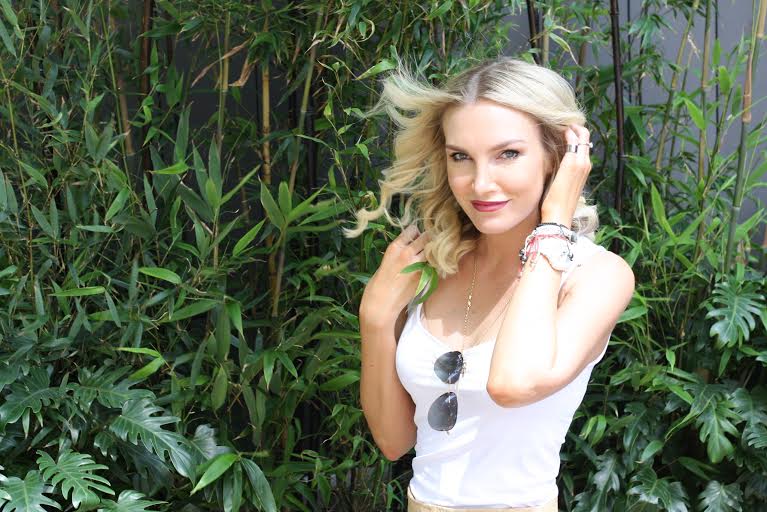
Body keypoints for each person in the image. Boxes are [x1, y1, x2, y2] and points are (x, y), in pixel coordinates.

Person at [344, 57, 635, 511]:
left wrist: (555, 223)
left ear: (558, 157)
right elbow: (394, 441)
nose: (480, 184)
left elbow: (513, 384)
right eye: (461, 157)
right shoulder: (432, 262)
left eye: (508, 154)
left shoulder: (596, 275)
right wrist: (375, 318)